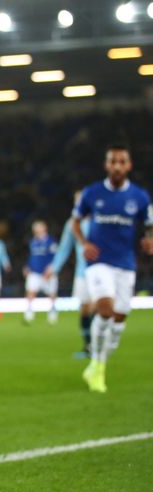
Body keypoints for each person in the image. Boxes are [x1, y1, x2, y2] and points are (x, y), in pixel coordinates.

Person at [73, 144, 153, 393]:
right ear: (106, 165)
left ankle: (99, 362)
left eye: (122, 162)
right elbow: (75, 222)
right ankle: (96, 366)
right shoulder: (92, 193)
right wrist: (84, 243)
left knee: (119, 318)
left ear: (128, 165)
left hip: (125, 263)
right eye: (113, 161)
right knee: (105, 309)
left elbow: (148, 224)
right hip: (98, 260)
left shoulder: (139, 197)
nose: (117, 166)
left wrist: (149, 238)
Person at [44, 191, 92, 357]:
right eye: (76, 200)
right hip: (82, 272)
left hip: (101, 270)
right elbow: (64, 248)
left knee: (97, 307)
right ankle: (88, 347)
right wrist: (53, 268)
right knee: (85, 309)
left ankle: (98, 347)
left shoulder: (100, 220)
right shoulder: (72, 223)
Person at [23, 220, 59, 324]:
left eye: (38, 227)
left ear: (44, 228)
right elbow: (32, 256)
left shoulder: (51, 241)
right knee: (30, 291)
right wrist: (27, 266)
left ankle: (52, 310)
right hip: (35, 271)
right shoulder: (33, 242)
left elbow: (55, 257)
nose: (36, 230)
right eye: (35, 228)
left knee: (52, 293)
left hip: (48, 272)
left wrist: (51, 269)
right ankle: (29, 311)